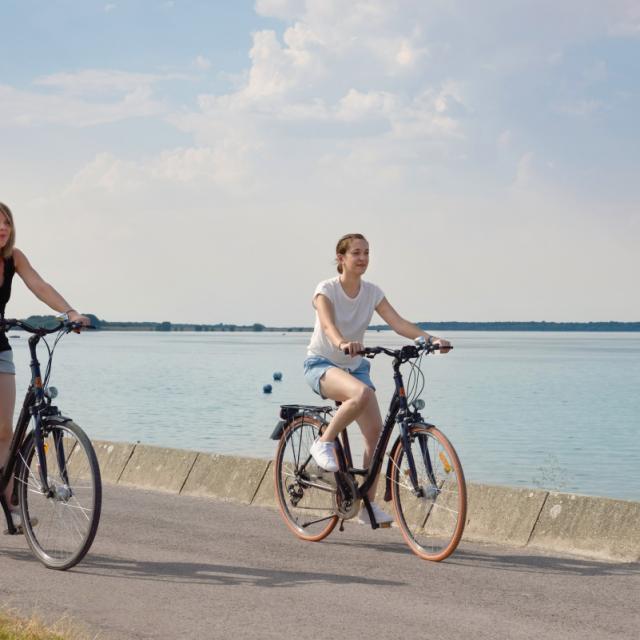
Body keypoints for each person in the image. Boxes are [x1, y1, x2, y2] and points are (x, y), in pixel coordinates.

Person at [304, 233, 451, 525]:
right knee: (360, 395)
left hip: (355, 367)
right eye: (356, 253)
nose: (362, 259)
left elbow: (398, 323)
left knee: (376, 437)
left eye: (367, 253)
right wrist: (343, 342)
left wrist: (430, 339)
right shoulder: (326, 289)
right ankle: (324, 442)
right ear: (341, 258)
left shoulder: (372, 292)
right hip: (322, 364)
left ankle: (367, 505)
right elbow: (328, 325)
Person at [0, 202, 90, 530]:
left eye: (6, 222)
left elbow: (38, 285)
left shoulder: (14, 258)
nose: (3, 228)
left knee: (5, 431)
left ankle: (11, 507)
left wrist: (69, 312)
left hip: (1, 348)